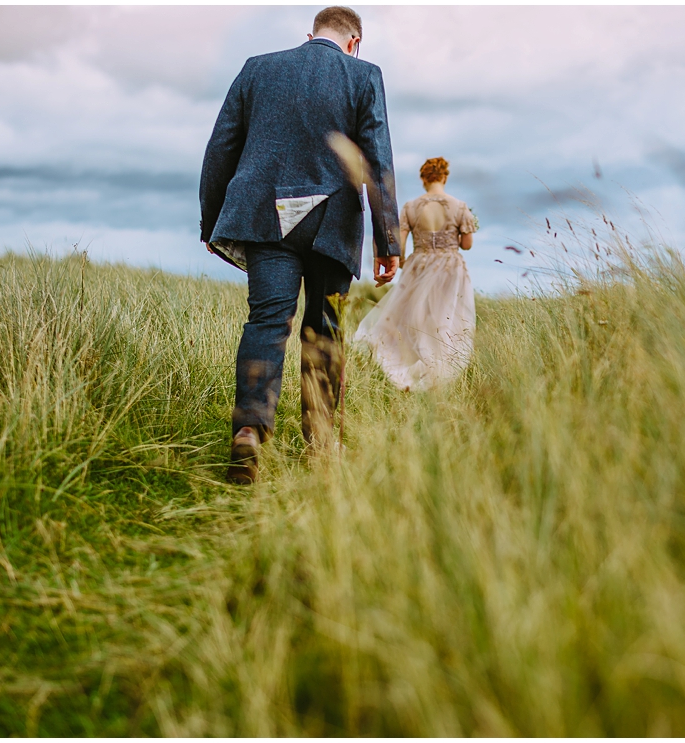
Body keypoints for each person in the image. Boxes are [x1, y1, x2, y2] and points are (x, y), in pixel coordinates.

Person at [199, 5, 401, 484]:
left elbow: (220, 147)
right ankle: (322, 449)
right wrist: (387, 240)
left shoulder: (258, 67)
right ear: (355, 42)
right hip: (333, 222)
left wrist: (212, 222)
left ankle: (249, 430)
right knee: (324, 331)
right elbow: (378, 161)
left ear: (308, 35)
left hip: (265, 217)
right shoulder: (364, 74)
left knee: (268, 321)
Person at [353, 157, 477, 391]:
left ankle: (413, 359)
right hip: (450, 268)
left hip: (419, 265)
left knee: (416, 317)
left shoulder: (411, 207)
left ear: (423, 179)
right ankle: (440, 368)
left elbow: (398, 247)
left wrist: (409, 263)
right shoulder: (459, 206)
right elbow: (467, 245)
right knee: (447, 317)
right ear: (445, 177)